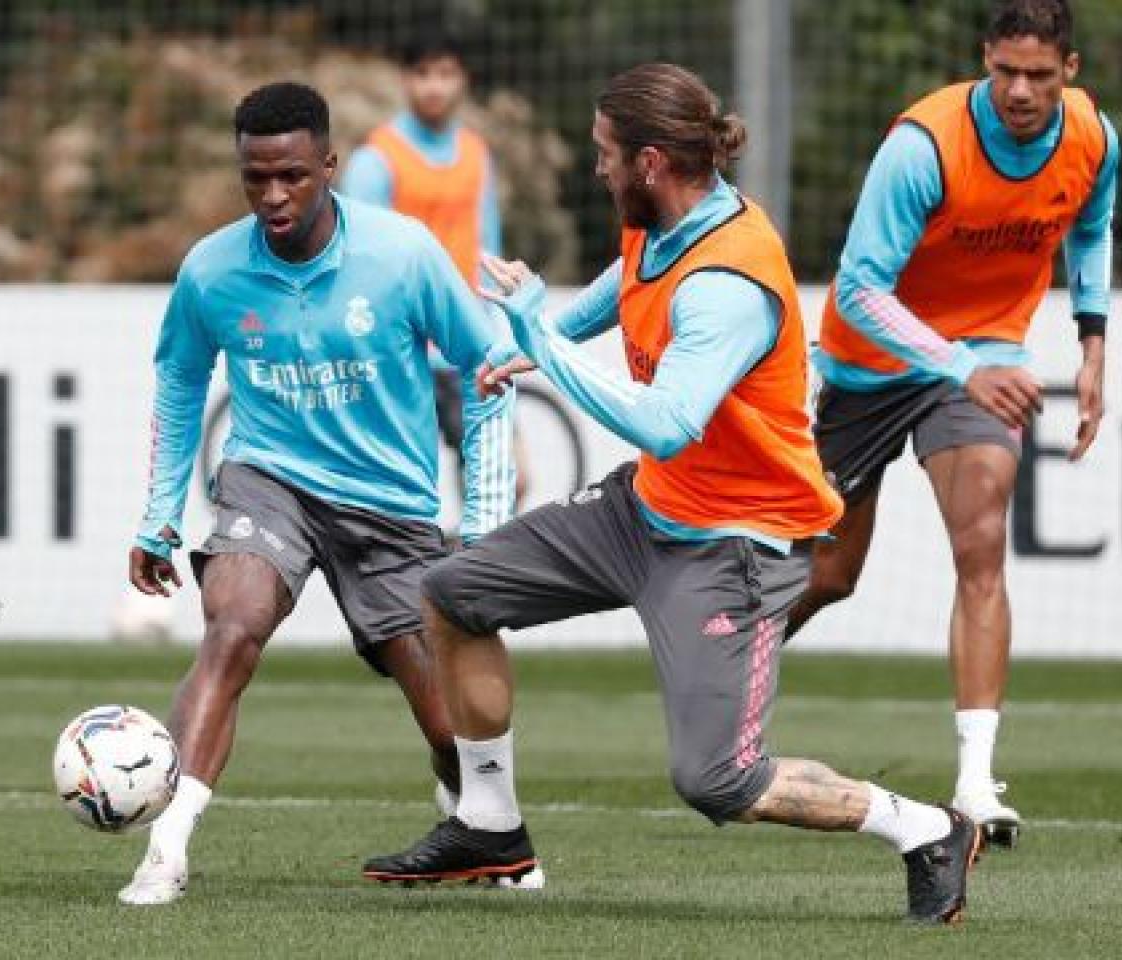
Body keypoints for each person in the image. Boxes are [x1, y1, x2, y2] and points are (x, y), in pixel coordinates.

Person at [364, 64, 980, 925]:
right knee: (453, 594)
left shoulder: (727, 284)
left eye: (604, 155)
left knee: (717, 780)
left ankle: (924, 827)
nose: (597, 169)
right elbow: (632, 279)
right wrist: (554, 341)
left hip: (735, 547)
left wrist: (543, 332)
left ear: (650, 161)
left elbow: (666, 422)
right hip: (643, 511)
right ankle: (489, 824)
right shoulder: (664, 221)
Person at [118, 82, 515, 906]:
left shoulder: (402, 256)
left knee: (446, 727)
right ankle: (167, 845)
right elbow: (179, 382)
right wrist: (160, 516)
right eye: (255, 178)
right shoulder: (212, 270)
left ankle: (478, 815)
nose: (272, 196)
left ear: (329, 166)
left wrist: (482, 516)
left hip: (390, 505)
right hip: (271, 483)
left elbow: (490, 373)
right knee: (234, 626)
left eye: (292, 176)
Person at [787, 0, 1119, 848]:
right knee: (829, 575)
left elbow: (1092, 225)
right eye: (1004, 70)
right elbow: (859, 288)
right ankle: (719, 676)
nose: (1017, 89)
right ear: (984, 60)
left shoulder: (1092, 137)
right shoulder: (923, 147)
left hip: (978, 363)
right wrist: (963, 363)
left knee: (982, 542)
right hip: (869, 364)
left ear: (1069, 73)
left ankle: (974, 782)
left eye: (1038, 75)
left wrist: (1092, 340)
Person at [342, 30, 530, 509]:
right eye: (423, 74)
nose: (434, 87)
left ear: (462, 80)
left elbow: (487, 248)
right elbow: (356, 261)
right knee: (398, 492)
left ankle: (467, 576)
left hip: (464, 347)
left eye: (445, 74)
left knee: (505, 479)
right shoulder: (376, 159)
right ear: (405, 80)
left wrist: (498, 335)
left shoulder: (475, 154)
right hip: (399, 352)